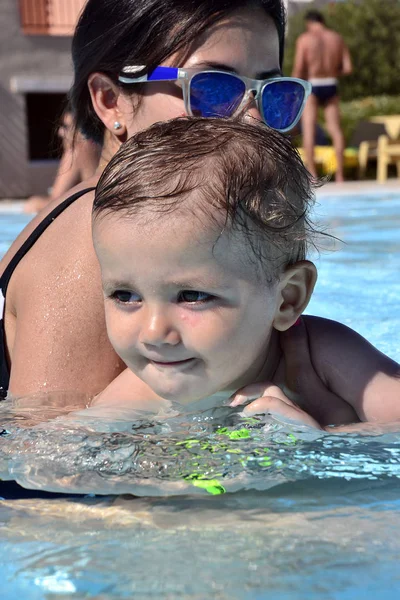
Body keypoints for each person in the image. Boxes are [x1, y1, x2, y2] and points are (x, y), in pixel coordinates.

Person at [0, 0, 313, 402]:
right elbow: (51, 455)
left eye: (274, 94)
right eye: (212, 89)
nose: (252, 120)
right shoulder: (104, 234)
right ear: (111, 100)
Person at [91, 118, 400, 430]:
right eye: (125, 295)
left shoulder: (325, 357)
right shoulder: (135, 396)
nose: (153, 333)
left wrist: (323, 441)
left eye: (192, 296)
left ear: (287, 298)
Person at [292, 10, 352, 182]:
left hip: (313, 84)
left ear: (308, 23)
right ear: (322, 21)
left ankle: (312, 175)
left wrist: (295, 89)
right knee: (335, 130)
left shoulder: (304, 39)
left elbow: (298, 68)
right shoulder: (336, 38)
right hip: (331, 83)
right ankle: (340, 175)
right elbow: (348, 68)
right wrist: (333, 71)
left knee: (309, 130)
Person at [23, 112, 100, 214]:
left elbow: (54, 201)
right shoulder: (99, 147)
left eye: (66, 127)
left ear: (81, 129)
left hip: (84, 212)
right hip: (95, 209)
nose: (60, 132)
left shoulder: (76, 152)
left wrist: (33, 203)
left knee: (32, 204)